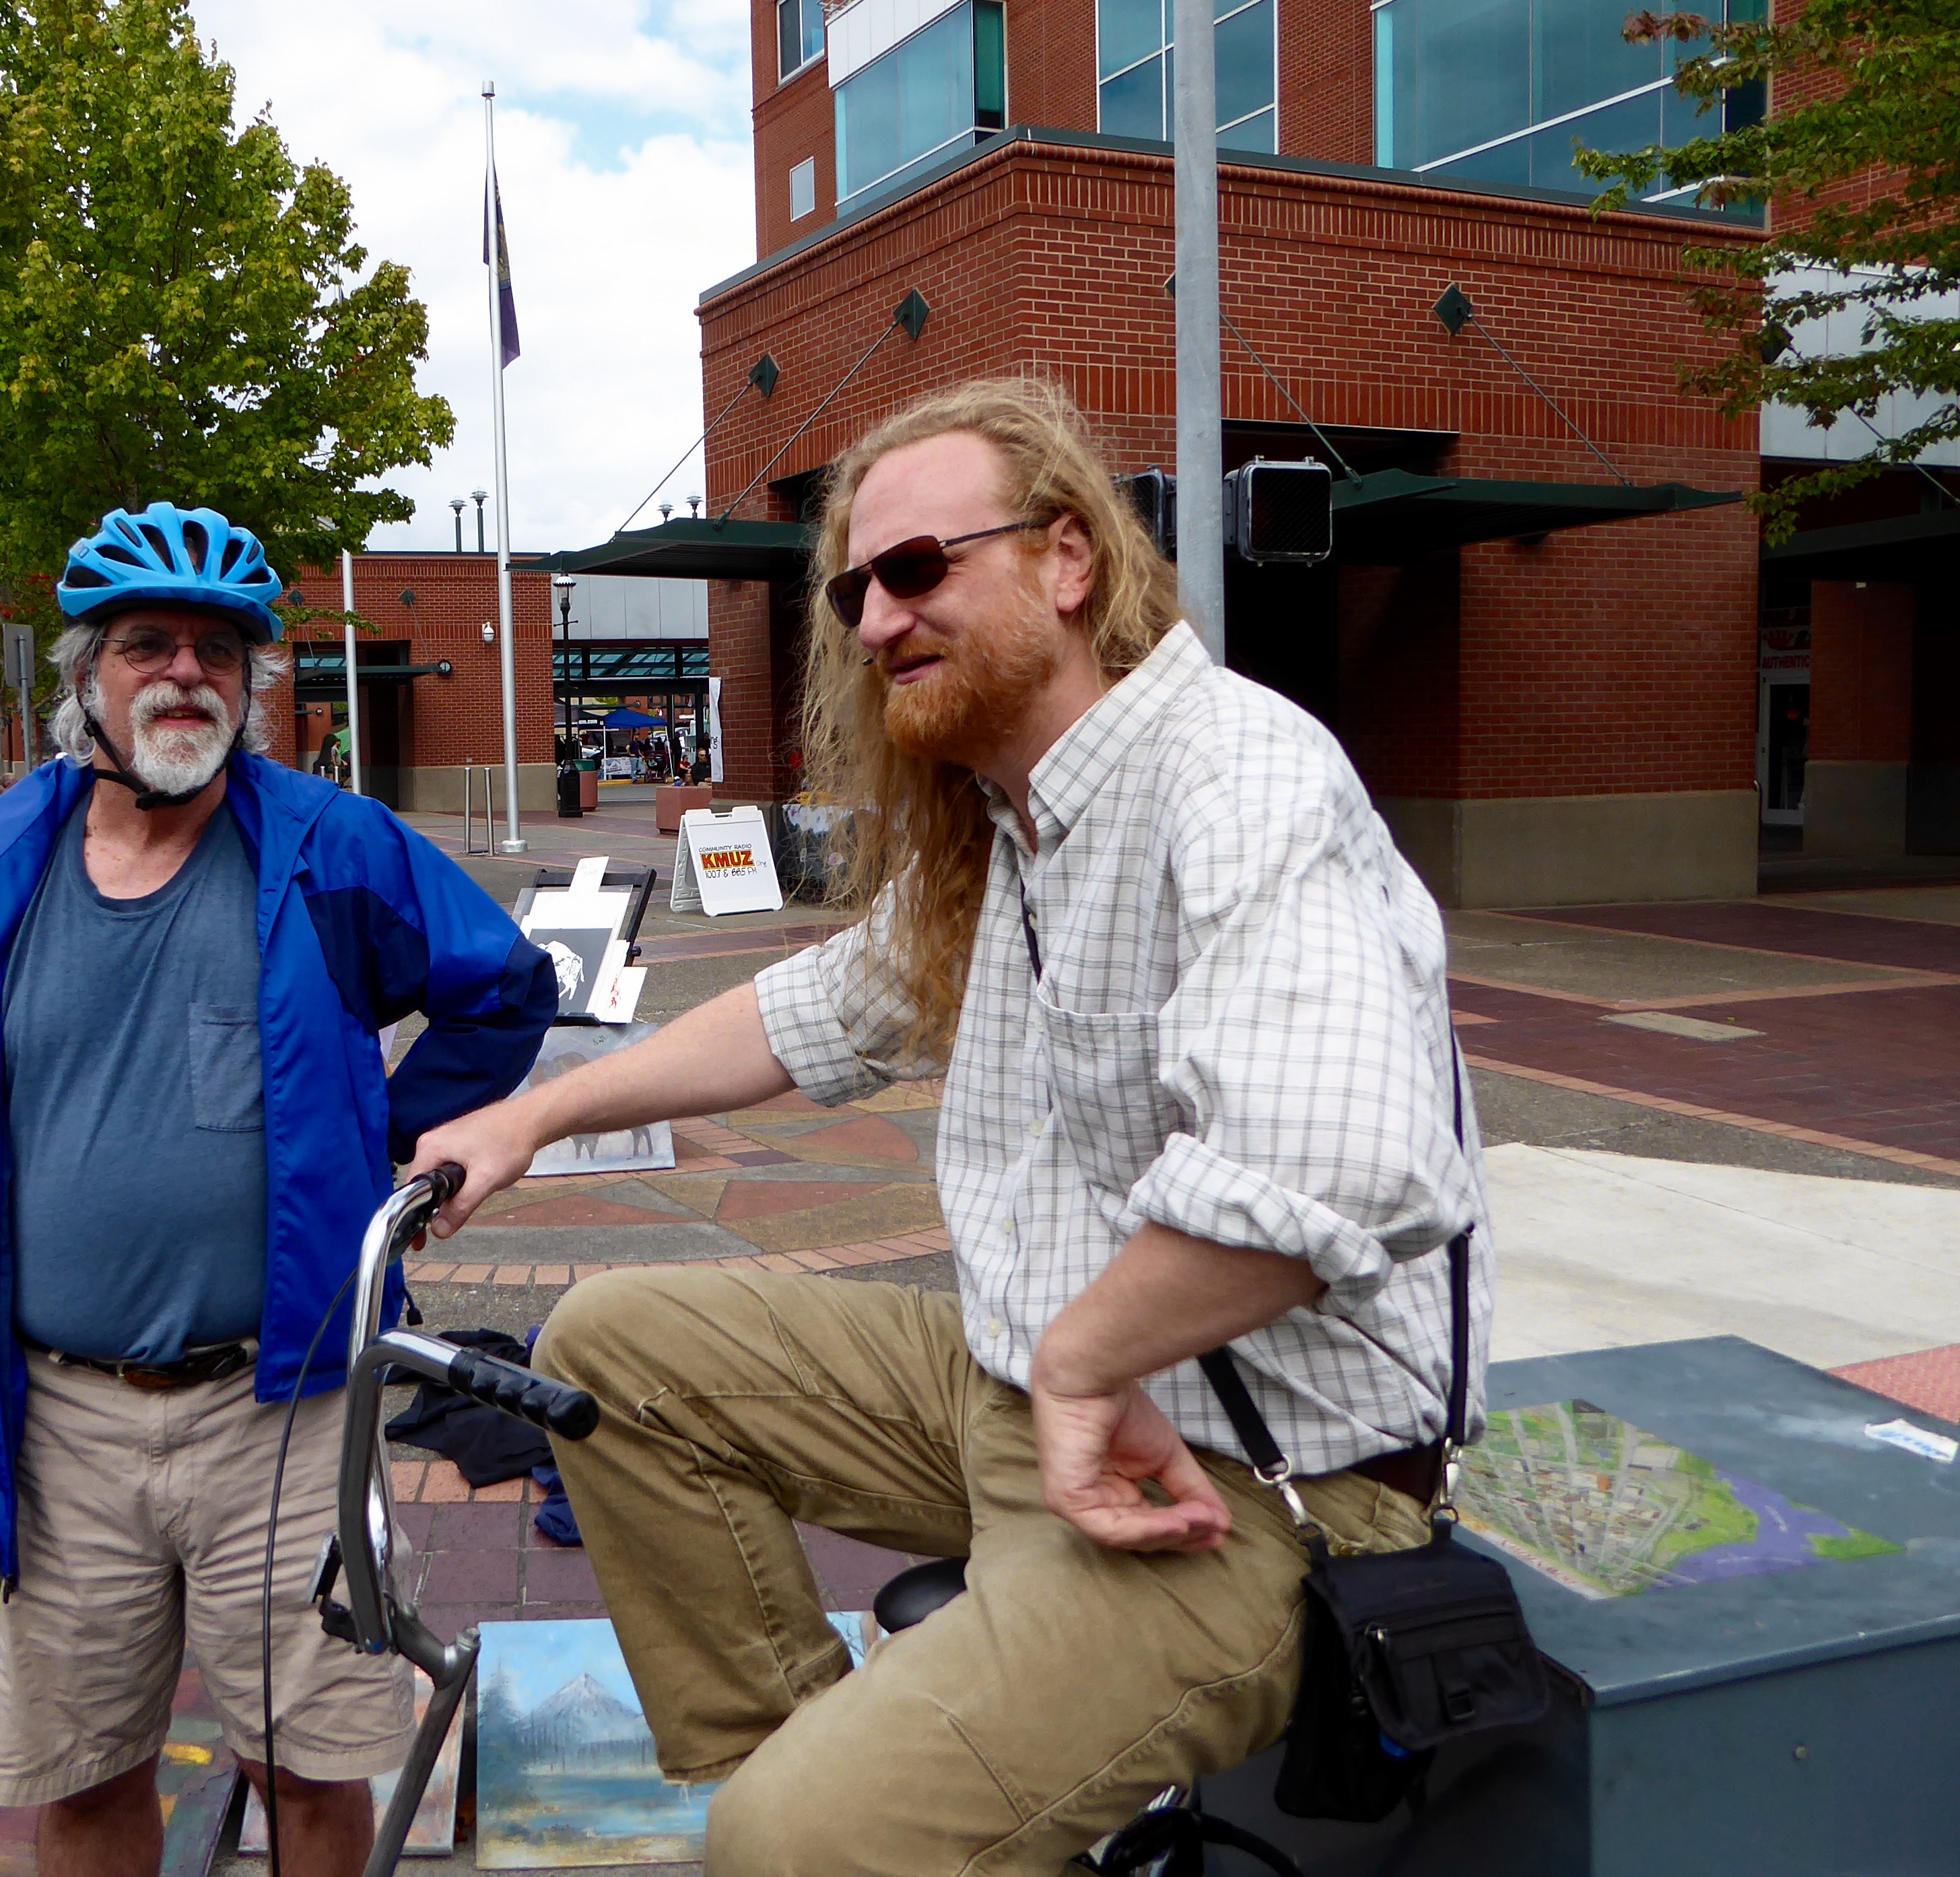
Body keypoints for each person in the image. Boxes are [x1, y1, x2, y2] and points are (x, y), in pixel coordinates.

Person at [417, 379, 1490, 1874]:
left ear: (1068, 562)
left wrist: (1081, 1359)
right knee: (607, 1351)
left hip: (1238, 1491)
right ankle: (819, 1776)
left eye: (918, 570)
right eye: (854, 588)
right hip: (1027, 1402)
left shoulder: (1235, 775)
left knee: (791, 1845)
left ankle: (815, 1829)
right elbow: (810, 1012)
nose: (871, 621)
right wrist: (534, 1113)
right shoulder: (1006, 823)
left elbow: (1338, 1160)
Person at [0, 501, 557, 1877]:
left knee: (311, 1763)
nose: (186, 673)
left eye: (220, 651)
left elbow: (501, 990)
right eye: (148, 645)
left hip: (281, 1410)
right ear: (86, 680)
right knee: (82, 1771)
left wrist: (391, 1147)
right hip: (56, 1425)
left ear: (251, 684)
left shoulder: (326, 849)